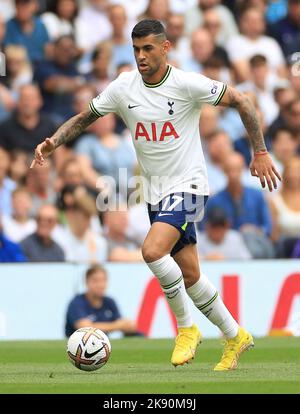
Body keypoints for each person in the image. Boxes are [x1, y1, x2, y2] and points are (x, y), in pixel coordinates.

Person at [31, 19, 281, 371]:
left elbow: (241, 100)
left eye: (148, 48)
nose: (141, 56)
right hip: (155, 192)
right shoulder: (123, 87)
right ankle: (235, 335)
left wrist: (259, 151)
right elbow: (86, 116)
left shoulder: (187, 84)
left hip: (190, 186)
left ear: (165, 48)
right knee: (190, 275)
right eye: (136, 50)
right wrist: (54, 141)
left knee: (151, 250)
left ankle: (186, 329)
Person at [65, 264, 138, 337]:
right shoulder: (77, 302)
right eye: (96, 281)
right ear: (87, 282)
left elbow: (123, 324)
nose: (101, 285)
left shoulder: (109, 302)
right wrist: (117, 326)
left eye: (104, 280)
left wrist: (129, 326)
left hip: (102, 345)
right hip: (78, 346)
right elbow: (85, 329)